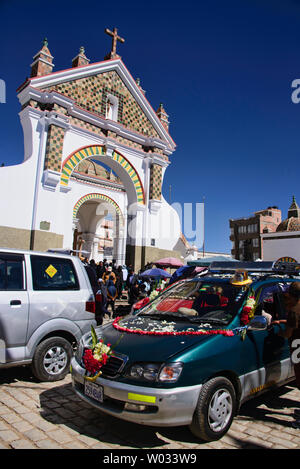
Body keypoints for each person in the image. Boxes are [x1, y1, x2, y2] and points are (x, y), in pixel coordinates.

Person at [273, 282, 300, 428]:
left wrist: (279, 332)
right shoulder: (296, 309)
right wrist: (283, 321)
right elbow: (294, 323)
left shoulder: (294, 310)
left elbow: (288, 333)